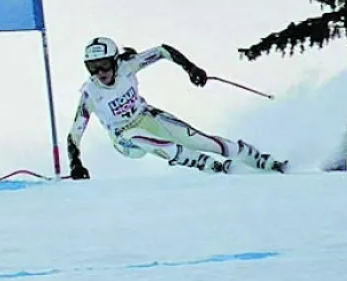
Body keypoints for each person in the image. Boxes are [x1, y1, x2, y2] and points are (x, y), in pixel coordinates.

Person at [66, 36, 288, 179]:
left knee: (199, 139)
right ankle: (206, 165)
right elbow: (74, 134)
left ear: (115, 61)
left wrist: (190, 68)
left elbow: (163, 50)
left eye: (103, 65)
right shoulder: (90, 94)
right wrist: (75, 164)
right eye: (92, 67)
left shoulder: (128, 66)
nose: (100, 73)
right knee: (141, 137)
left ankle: (259, 160)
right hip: (124, 138)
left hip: (147, 116)